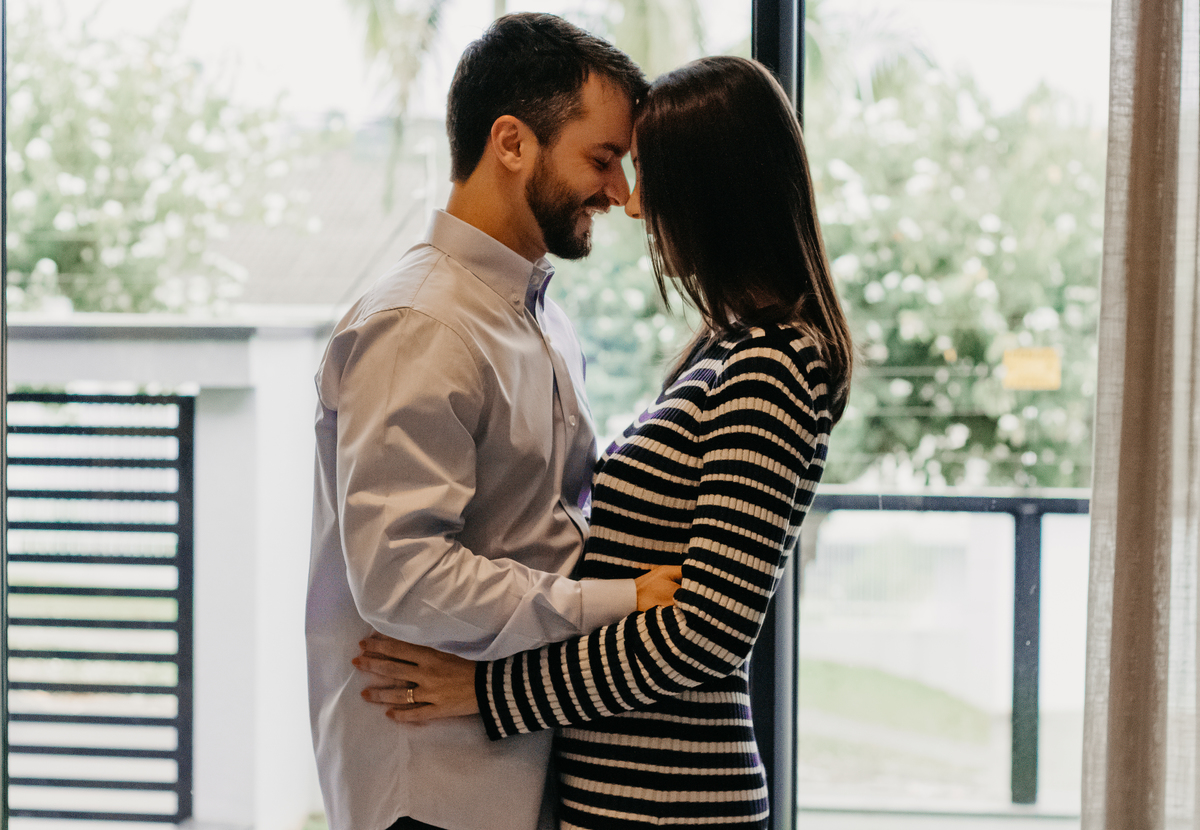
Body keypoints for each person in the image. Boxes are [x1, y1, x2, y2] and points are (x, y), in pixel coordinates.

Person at [353, 55, 855, 830]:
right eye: (614, 163)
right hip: (621, 794)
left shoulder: (772, 366)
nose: (631, 202)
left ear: (713, 190)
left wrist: (491, 694)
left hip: (668, 804)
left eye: (648, 172)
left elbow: (706, 633)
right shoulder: (722, 353)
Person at [306, 14, 681, 830]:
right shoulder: (422, 325)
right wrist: (610, 603)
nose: (622, 195)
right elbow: (402, 576)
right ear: (511, 143)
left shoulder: (538, 317)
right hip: (435, 789)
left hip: (514, 762)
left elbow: (541, 526)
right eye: (603, 159)